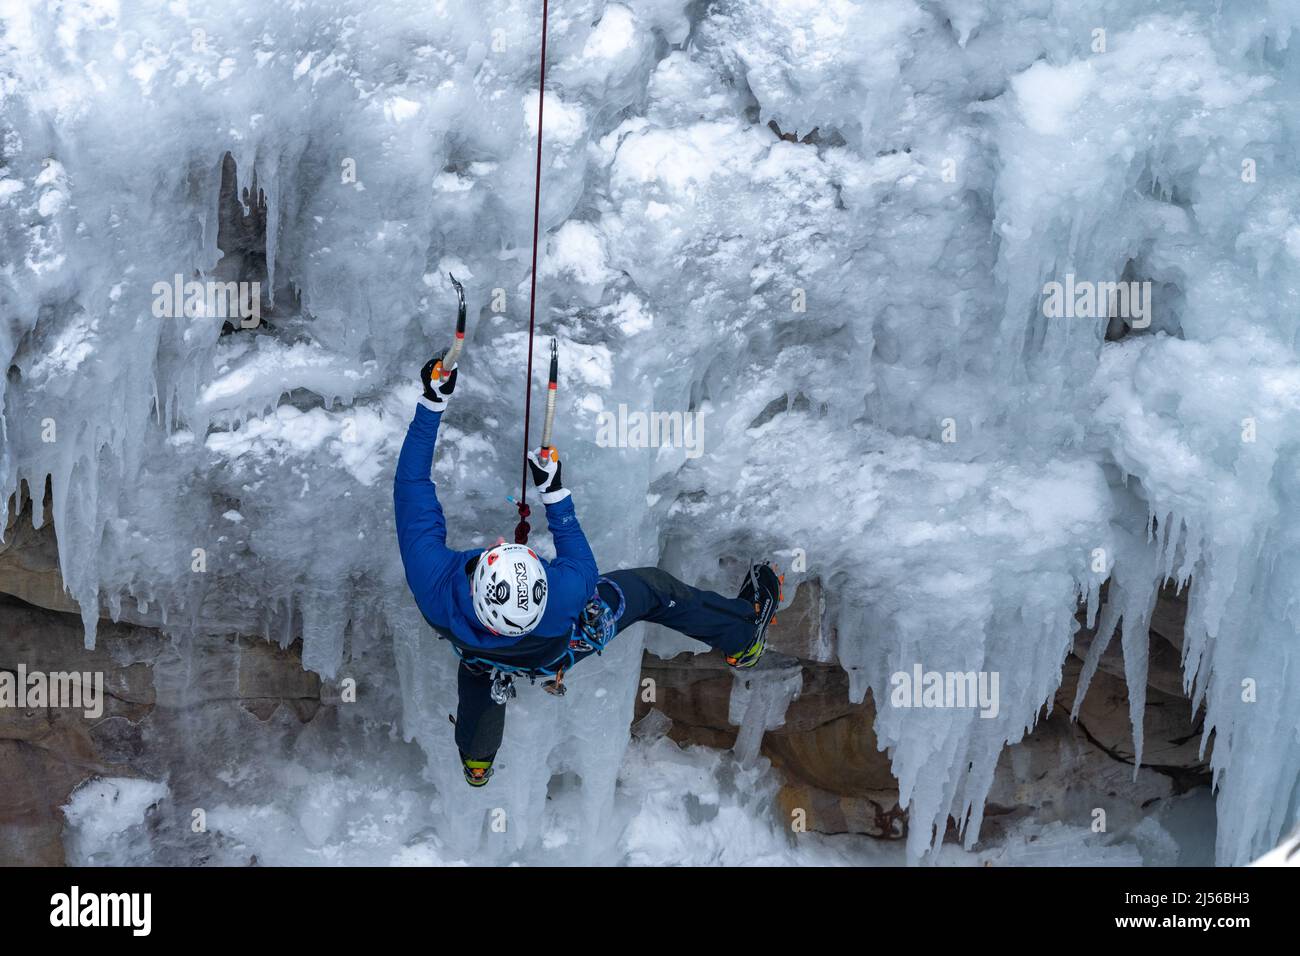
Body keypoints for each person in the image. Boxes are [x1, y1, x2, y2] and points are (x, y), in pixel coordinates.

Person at [394, 352, 782, 787]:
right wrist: (554, 491)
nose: (502, 542)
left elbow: (412, 488)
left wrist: (431, 404)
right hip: (558, 649)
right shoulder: (566, 594)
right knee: (652, 590)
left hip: (473, 643)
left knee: (480, 665)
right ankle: (743, 637)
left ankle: (478, 758)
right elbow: (579, 557)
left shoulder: (433, 584)